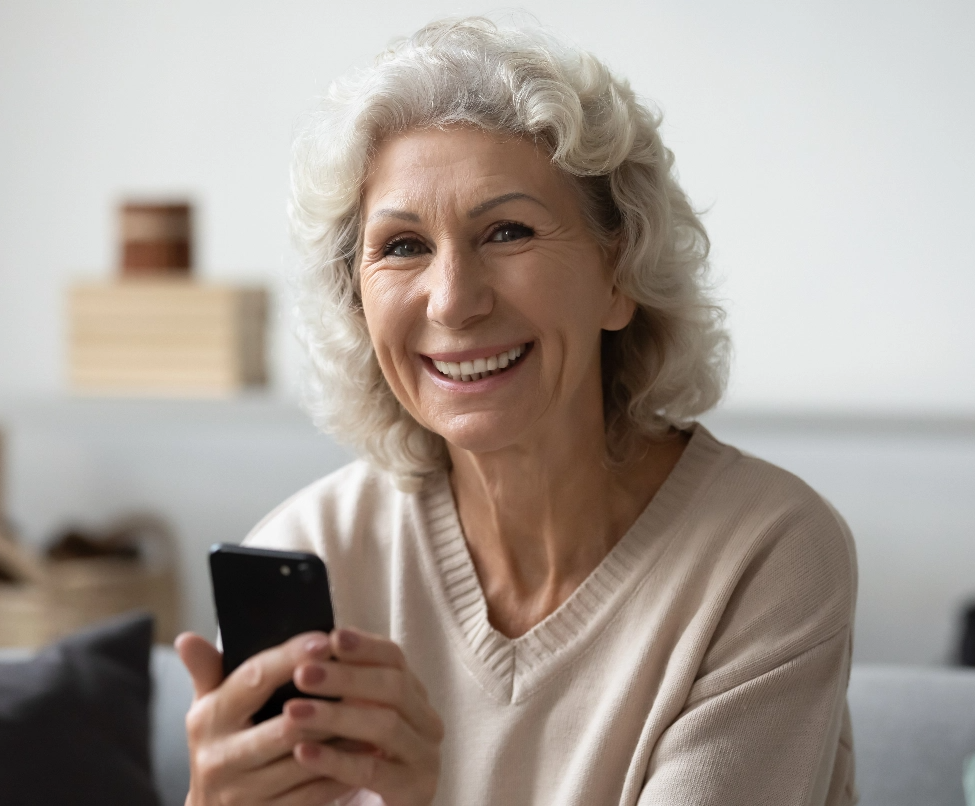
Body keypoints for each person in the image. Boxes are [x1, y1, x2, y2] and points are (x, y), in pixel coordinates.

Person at [175, 17, 858, 806]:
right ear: (358, 302)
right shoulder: (314, 548)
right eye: (402, 246)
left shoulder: (764, 553)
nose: (455, 300)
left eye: (507, 231)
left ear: (618, 274)